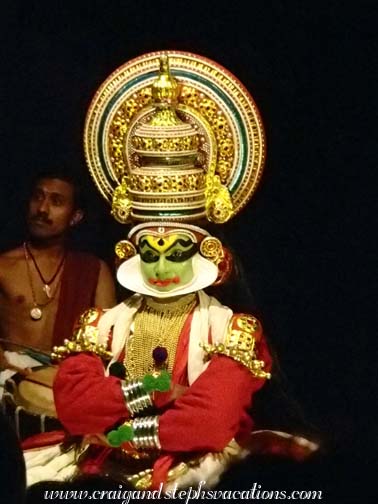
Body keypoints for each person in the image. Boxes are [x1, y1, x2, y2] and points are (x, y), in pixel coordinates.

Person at [24, 53, 317, 490]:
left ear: (206, 252)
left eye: (175, 251)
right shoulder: (103, 325)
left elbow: (210, 421)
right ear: (130, 252)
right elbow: (75, 407)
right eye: (150, 250)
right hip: (97, 458)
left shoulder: (231, 330)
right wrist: (158, 393)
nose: (160, 266)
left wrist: (126, 426)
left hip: (189, 467)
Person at [0, 171, 116, 377]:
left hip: (71, 379)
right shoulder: (4, 267)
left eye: (56, 201)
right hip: (10, 376)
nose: (42, 209)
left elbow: (108, 340)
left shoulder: (94, 271)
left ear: (75, 217)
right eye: (37, 197)